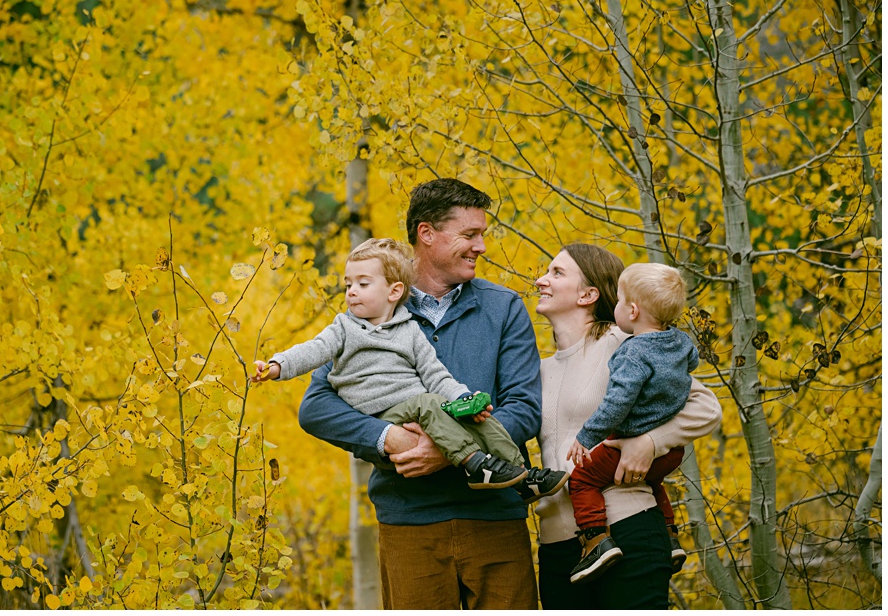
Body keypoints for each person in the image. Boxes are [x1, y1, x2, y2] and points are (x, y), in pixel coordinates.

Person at [297, 179, 544, 609]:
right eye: (469, 235)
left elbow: (524, 408)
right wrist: (391, 439)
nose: (481, 246)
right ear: (426, 234)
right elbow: (316, 407)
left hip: (496, 520)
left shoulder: (504, 308)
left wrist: (447, 449)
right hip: (409, 520)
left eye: (481, 234)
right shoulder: (369, 310)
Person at [254, 237, 568, 497]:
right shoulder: (343, 328)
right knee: (429, 403)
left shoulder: (409, 331)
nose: (351, 291)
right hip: (382, 411)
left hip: (418, 407)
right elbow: (312, 350)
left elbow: (435, 374)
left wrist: (462, 401)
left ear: (393, 292)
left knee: (475, 417)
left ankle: (522, 476)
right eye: (348, 283)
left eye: (363, 284)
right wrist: (277, 365)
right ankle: (476, 464)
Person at [533, 243, 722, 609]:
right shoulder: (539, 370)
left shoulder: (626, 345)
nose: (541, 280)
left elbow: (706, 407)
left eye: (556, 273)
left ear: (588, 294)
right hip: (557, 547)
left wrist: (650, 442)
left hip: (627, 529)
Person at [565, 263, 699, 583]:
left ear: (633, 310)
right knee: (652, 482)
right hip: (671, 451)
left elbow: (618, 403)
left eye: (621, 301)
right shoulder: (680, 342)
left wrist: (586, 436)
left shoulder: (633, 353)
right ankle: (670, 536)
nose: (617, 307)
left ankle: (597, 540)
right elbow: (692, 361)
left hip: (626, 446)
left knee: (582, 478)